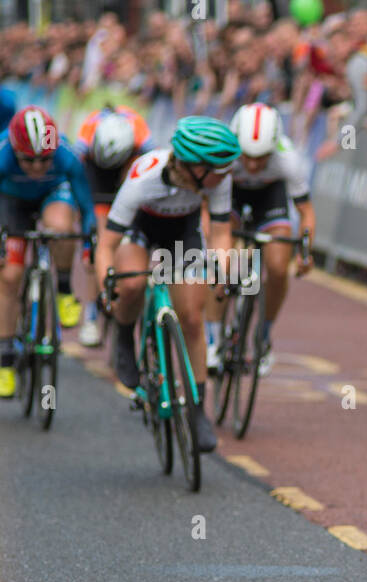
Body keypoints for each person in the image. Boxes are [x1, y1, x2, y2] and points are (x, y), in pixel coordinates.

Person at [97, 117, 240, 452]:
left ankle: (197, 410)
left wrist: (221, 272)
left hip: (182, 232)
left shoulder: (218, 178)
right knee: (132, 285)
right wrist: (107, 284)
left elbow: (221, 235)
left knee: (191, 317)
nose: (226, 174)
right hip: (140, 229)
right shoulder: (142, 179)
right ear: (193, 168)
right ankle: (123, 335)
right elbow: (106, 244)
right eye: (219, 169)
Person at [208, 103, 315, 380]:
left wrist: (305, 253)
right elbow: (206, 207)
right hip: (231, 197)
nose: (254, 165)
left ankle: (263, 335)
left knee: (278, 267)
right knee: (221, 263)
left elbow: (306, 212)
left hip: (270, 199)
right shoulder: (221, 154)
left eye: (262, 157)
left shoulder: (289, 159)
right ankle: (213, 337)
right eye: (248, 156)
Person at [0, 107, 97, 400]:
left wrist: (89, 243)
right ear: (15, 151)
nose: (38, 167)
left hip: (52, 195)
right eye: (29, 160)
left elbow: (87, 208)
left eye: (45, 159)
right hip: (10, 201)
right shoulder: (3, 154)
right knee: (9, 276)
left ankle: (64, 290)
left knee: (61, 228)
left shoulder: (66, 155)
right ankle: (5, 359)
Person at [72, 105, 155, 346]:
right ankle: (90, 315)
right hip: (97, 176)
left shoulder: (140, 132)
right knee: (98, 241)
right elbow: (77, 174)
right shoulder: (88, 132)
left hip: (129, 172)